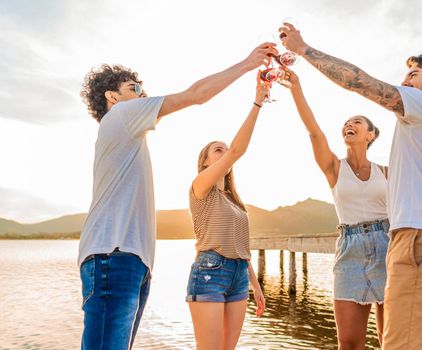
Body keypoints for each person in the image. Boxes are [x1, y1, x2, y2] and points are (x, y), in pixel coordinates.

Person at [279, 24, 422, 350]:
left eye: (414, 74)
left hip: (421, 241)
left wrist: (304, 50)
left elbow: (362, 83)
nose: (405, 82)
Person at [78, 42, 277, 350]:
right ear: (112, 96)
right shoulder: (120, 116)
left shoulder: (128, 138)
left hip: (130, 263)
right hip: (113, 258)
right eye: (135, 87)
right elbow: (196, 95)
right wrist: (248, 63)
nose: (144, 93)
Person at [282, 68, 389, 349]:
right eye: (345, 124)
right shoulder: (334, 168)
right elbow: (314, 132)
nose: (348, 126)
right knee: (349, 343)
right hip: (350, 250)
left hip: (388, 247)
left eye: (356, 122)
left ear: (371, 134)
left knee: (391, 339)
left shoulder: (388, 172)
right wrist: (296, 88)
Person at [186, 74, 268, 350]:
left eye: (224, 150)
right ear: (205, 162)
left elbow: (241, 248)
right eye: (217, 150)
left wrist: (255, 285)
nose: (225, 152)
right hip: (211, 270)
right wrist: (257, 101)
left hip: (238, 275)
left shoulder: (235, 202)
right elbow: (236, 150)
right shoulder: (200, 188)